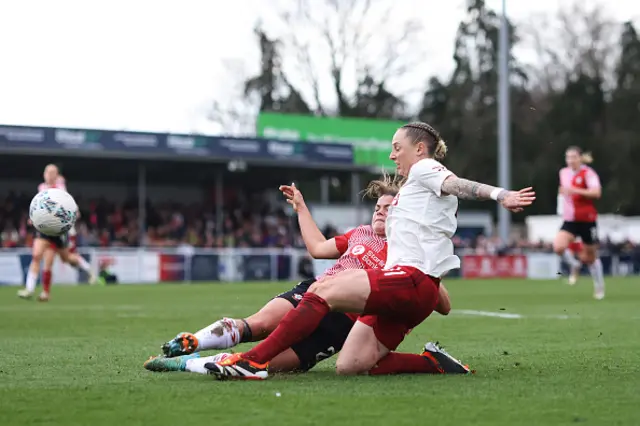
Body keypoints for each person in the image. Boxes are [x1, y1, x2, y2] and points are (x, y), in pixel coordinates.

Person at [207, 121, 534, 380]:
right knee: (350, 365)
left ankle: (251, 362)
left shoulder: (424, 169)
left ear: (419, 149)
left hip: (410, 280)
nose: (392, 156)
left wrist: (499, 194)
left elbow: (456, 184)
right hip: (418, 292)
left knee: (322, 288)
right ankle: (432, 363)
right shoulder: (414, 194)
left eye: (397, 148)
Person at [143, 179, 464, 376]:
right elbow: (317, 248)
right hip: (314, 293)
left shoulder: (406, 250)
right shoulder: (360, 233)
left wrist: (431, 268)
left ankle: (189, 364)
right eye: (378, 206)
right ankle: (191, 343)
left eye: (388, 208)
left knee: (275, 363)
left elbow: (438, 298)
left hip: (344, 324)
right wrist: (301, 208)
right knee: (257, 326)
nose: (380, 211)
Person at [18, 164, 95, 301]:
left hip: (59, 231)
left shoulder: (60, 189)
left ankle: (88, 269)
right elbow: (39, 206)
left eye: (52, 172)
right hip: (44, 229)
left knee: (65, 259)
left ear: (57, 175)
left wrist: (73, 214)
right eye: (47, 172)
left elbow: (70, 207)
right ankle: (29, 289)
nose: (49, 175)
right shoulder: (41, 188)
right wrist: (33, 218)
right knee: (36, 255)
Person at [553, 147, 604, 299]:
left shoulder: (588, 173)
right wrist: (560, 207)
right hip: (570, 219)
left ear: (580, 158)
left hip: (587, 219)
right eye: (568, 157)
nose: (570, 160)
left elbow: (596, 192)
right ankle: (574, 264)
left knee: (590, 257)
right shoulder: (564, 172)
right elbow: (563, 191)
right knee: (558, 246)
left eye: (574, 157)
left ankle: (599, 286)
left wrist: (576, 190)